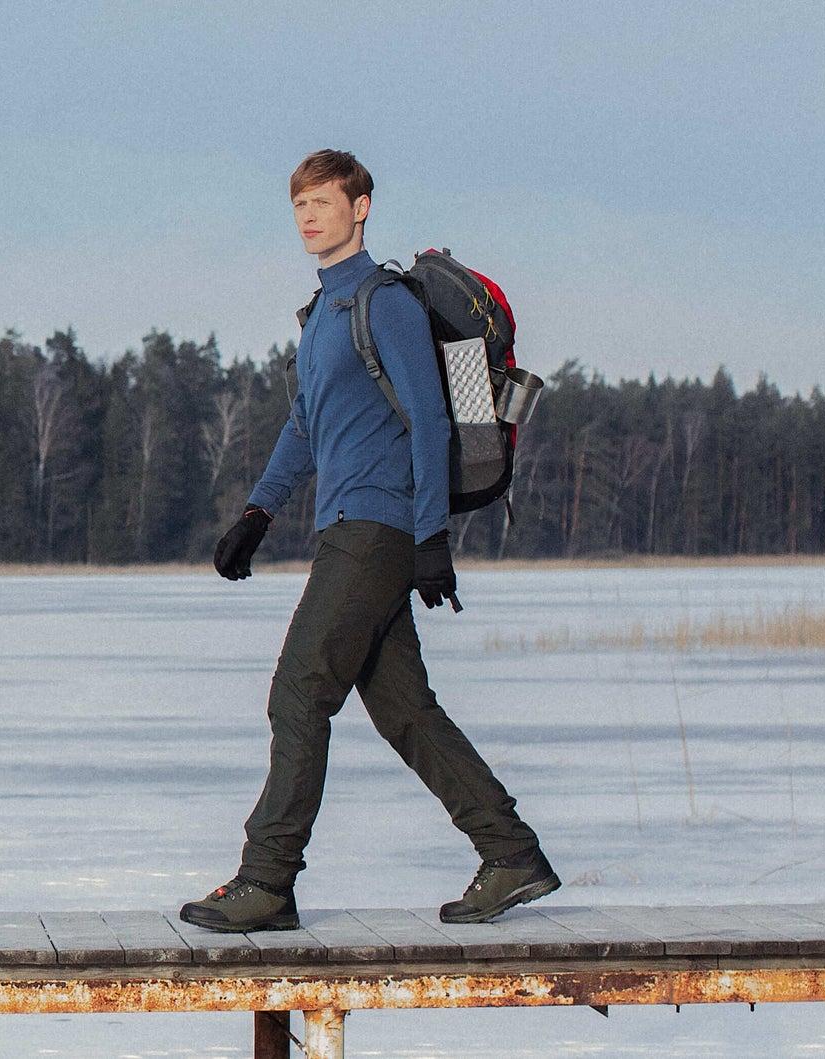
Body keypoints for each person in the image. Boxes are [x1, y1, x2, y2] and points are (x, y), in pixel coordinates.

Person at [178, 150, 554, 932]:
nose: (310, 215)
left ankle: (268, 878)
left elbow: (428, 419)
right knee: (405, 709)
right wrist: (258, 512)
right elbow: (304, 424)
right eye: (299, 205)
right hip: (350, 526)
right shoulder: (321, 316)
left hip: (379, 528)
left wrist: (429, 539)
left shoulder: (385, 304)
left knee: (299, 690)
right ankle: (511, 851)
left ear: (362, 206)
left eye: (324, 201)